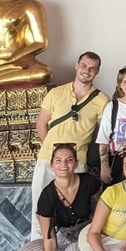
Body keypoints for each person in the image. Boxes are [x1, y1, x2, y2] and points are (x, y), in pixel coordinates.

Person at [10, 142, 101, 251]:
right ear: (51, 165)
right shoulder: (47, 196)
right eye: (58, 160)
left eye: (69, 160)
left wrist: (95, 234)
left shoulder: (89, 182)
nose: (63, 164)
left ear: (76, 163)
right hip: (62, 235)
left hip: (86, 233)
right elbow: (49, 238)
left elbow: (101, 209)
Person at [30, 51, 108, 238]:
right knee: (40, 204)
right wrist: (53, 154)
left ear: (97, 72)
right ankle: (39, 249)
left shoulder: (102, 100)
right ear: (76, 65)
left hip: (78, 161)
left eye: (92, 68)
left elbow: (104, 135)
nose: (87, 71)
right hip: (48, 158)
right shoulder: (56, 93)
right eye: (84, 66)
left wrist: (104, 164)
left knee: (76, 207)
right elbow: (41, 124)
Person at [97, 66, 126, 187]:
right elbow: (103, 138)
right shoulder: (112, 107)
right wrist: (104, 166)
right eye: (125, 82)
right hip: (117, 159)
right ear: (120, 86)